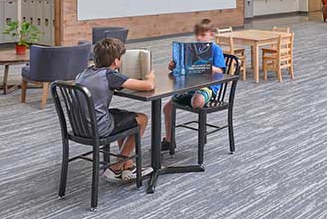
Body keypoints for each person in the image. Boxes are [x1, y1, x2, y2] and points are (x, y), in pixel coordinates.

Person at [75, 37, 154, 182]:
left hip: (80, 126)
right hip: (98, 127)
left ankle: (128, 166)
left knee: (124, 116)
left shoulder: (84, 72)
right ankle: (116, 167)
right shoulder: (110, 75)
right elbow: (148, 86)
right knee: (141, 119)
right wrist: (150, 77)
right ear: (116, 61)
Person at [163, 18, 226, 152]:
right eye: (197, 34)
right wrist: (174, 65)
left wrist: (207, 66)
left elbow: (220, 71)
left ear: (212, 34)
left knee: (197, 102)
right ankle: (169, 140)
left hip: (208, 87)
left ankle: (190, 99)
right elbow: (183, 69)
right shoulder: (192, 49)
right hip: (190, 85)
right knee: (167, 108)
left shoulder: (216, 50)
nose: (199, 37)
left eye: (203, 35)